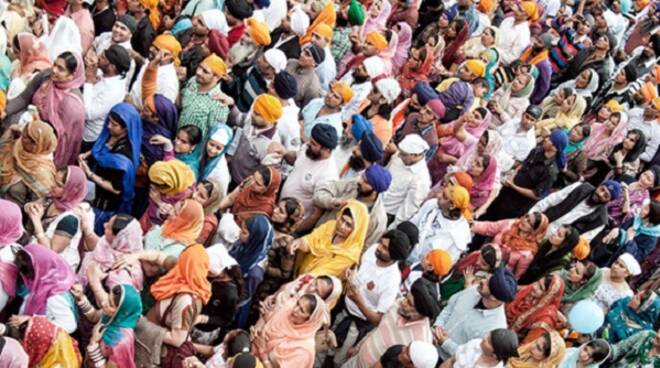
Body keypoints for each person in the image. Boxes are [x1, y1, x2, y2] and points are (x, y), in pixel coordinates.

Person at [331, 230, 411, 366]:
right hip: (342, 308)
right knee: (323, 344)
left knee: (338, 360)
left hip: (355, 325)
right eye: (381, 243)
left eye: (385, 248)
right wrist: (350, 273)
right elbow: (359, 266)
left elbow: (378, 320)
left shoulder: (391, 281)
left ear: (395, 255)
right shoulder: (373, 251)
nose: (379, 247)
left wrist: (359, 301)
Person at [342, 278, 441, 368]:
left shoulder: (421, 343)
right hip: (355, 361)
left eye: (409, 303)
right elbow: (378, 329)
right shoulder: (398, 304)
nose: (403, 302)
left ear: (422, 313)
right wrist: (358, 348)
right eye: (406, 296)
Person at [144, 244, 212, 368]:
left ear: (187, 263)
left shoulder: (185, 301)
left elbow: (177, 339)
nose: (179, 260)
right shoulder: (184, 273)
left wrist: (144, 327)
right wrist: (133, 256)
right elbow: (160, 257)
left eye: (183, 258)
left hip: (149, 345)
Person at [80, 102, 142, 234]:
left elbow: (115, 189)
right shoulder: (112, 135)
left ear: (126, 129)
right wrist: (89, 154)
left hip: (106, 205)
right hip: (96, 193)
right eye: (109, 122)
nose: (108, 126)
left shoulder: (123, 158)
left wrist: (89, 174)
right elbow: (102, 148)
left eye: (114, 125)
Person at [480, 129, 568, 221]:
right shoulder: (537, 150)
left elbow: (536, 194)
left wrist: (514, 186)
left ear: (555, 148)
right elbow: (523, 164)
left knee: (497, 222)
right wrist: (511, 178)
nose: (546, 139)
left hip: (516, 204)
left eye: (550, 140)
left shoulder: (551, 172)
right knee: (488, 212)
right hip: (507, 191)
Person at [433, 267, 517, 361]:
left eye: (487, 283)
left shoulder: (494, 328)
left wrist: (445, 343)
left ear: (494, 298)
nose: (482, 281)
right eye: (486, 277)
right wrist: (437, 325)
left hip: (446, 362)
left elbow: (472, 358)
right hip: (431, 340)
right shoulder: (473, 290)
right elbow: (449, 308)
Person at [308, 163, 391, 245]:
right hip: (315, 238)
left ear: (375, 191)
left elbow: (364, 247)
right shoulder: (353, 184)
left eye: (366, 182)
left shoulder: (378, 219)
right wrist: (334, 202)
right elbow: (319, 194)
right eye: (362, 176)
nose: (360, 181)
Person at [24, 166, 87, 270]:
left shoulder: (70, 219)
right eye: (54, 180)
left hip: (51, 270)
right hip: (33, 257)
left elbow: (51, 251)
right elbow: (28, 207)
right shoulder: (51, 198)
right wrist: (30, 207)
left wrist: (36, 221)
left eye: (59, 185)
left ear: (71, 190)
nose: (52, 185)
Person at [290, 200, 369, 277]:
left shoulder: (351, 253)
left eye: (348, 225)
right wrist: (300, 243)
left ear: (356, 230)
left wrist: (301, 280)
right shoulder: (331, 226)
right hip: (300, 273)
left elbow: (324, 272)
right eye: (342, 219)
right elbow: (311, 239)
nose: (342, 226)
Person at [12, 244, 77, 333]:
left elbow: (69, 325)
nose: (27, 279)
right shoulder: (44, 281)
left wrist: (31, 321)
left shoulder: (54, 295)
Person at [278, 123, 340, 218]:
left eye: (314, 144)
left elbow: (316, 214)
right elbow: (296, 158)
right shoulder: (309, 149)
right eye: (311, 140)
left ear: (326, 149)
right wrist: (284, 152)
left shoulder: (329, 175)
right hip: (279, 209)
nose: (309, 144)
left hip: (293, 222)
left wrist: (295, 229)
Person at [72, 284, 142, 368]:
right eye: (108, 298)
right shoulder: (111, 315)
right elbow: (94, 316)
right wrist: (82, 299)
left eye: (110, 304)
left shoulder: (121, 343)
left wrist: (93, 344)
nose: (104, 303)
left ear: (122, 312)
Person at [251, 294, 327, 367]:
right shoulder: (286, 311)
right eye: (297, 304)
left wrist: (263, 354)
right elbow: (269, 322)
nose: (294, 310)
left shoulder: (303, 351)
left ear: (309, 320)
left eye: (301, 310)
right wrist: (257, 331)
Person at [407, 184, 472, 264]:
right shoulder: (432, 204)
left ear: (452, 206)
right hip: (406, 251)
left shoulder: (459, 236)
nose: (438, 195)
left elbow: (446, 263)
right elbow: (413, 222)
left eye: (444, 196)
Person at [0, 120, 57, 207]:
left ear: (36, 145)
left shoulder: (41, 173)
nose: (21, 138)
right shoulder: (20, 147)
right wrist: (9, 132)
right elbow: (3, 151)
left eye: (25, 137)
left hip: (11, 209)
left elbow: (38, 204)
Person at [382, 134, 432, 226]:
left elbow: (408, 208)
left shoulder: (421, 179)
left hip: (386, 212)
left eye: (403, 154)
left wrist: (393, 226)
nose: (399, 156)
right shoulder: (399, 156)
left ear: (415, 155)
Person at [506, 274, 565, 343]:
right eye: (537, 282)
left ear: (548, 295)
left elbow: (526, 346)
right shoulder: (530, 291)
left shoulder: (545, 319)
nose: (534, 287)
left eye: (540, 288)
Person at [442, 329, 521, 368]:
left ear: (494, 355)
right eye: (488, 335)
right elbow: (452, 360)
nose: (484, 338)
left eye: (488, 341)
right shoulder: (475, 343)